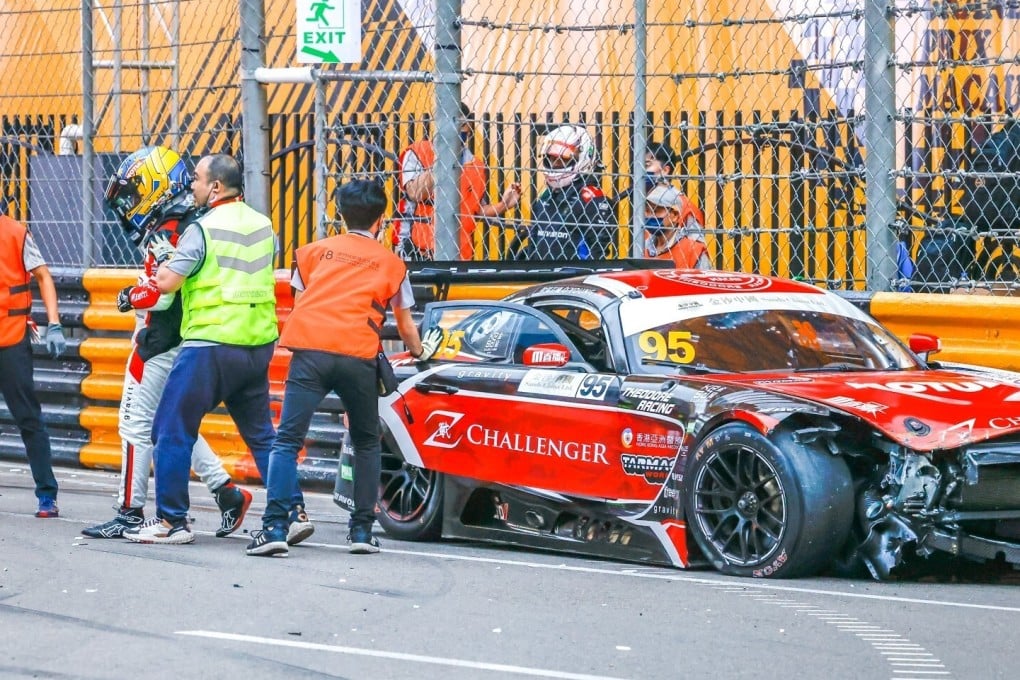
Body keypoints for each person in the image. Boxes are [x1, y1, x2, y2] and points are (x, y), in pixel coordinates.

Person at [246, 179, 442, 557]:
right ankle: (362, 532)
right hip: (358, 354)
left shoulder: (313, 253)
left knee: (286, 440)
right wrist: (418, 351)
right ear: (382, 220)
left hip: (311, 351)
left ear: (339, 214)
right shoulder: (393, 263)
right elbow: (404, 325)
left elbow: (302, 298)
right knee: (367, 441)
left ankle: (274, 527)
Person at [123, 153, 308, 545]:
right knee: (262, 435)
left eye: (197, 179)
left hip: (209, 344)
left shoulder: (201, 229)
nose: (192, 185)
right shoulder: (264, 226)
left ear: (216, 187)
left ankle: (172, 522)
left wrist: (145, 283)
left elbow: (169, 283)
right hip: (257, 344)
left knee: (170, 428)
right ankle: (291, 513)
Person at [83, 146, 254, 539]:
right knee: (172, 426)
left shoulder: (166, 229)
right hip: (191, 333)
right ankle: (227, 493)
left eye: (133, 193)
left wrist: (129, 296)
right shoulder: (195, 219)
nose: (128, 204)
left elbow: (160, 292)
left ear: (155, 188)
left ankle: (129, 511)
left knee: (133, 426)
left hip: (160, 340)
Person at [0, 208, 66, 517]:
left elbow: (42, 275)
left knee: (27, 417)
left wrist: (54, 324)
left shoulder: (16, 233)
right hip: (11, 336)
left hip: (11, 337)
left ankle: (46, 495)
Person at [396, 102, 521, 260]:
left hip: (460, 254)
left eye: (460, 125)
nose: (454, 131)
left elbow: (476, 210)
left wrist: (503, 205)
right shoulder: (418, 152)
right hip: (418, 252)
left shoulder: (476, 166)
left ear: (468, 128)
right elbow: (415, 193)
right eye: (447, 124)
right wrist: (444, 157)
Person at [517, 124, 615, 261]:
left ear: (582, 157)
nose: (556, 164)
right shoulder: (545, 197)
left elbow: (597, 253)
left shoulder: (593, 199)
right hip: (541, 276)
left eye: (564, 159)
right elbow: (534, 246)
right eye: (552, 158)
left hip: (574, 278)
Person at [643, 185, 712, 269]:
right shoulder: (643, 248)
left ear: (675, 215)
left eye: (656, 211)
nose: (650, 216)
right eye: (647, 211)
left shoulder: (693, 251)